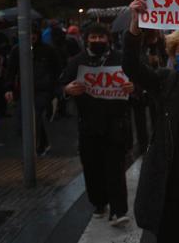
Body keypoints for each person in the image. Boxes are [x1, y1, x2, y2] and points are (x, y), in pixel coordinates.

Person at [123, 4, 179, 243]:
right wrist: (135, 27)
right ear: (173, 54)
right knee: (167, 235)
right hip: (169, 178)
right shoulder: (164, 80)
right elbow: (132, 67)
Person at [59, 24, 133, 226]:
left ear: (108, 39)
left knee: (115, 169)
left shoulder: (120, 59)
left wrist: (132, 88)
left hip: (115, 124)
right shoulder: (77, 61)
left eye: (101, 37)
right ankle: (99, 203)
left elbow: (136, 85)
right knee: (92, 168)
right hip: (89, 125)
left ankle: (119, 210)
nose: (98, 40)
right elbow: (62, 84)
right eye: (94, 36)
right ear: (86, 39)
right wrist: (68, 89)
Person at [5, 24, 62, 156]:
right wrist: (8, 88)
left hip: (43, 89)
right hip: (24, 90)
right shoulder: (17, 50)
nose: (31, 37)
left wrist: (56, 90)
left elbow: (57, 70)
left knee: (34, 116)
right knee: (24, 119)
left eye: (33, 34)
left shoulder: (48, 50)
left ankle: (36, 148)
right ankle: (41, 144)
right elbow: (11, 70)